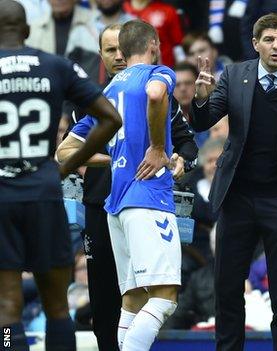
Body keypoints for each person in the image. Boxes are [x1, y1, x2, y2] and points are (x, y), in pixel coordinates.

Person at [191, 12, 277, 350]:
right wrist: (200, 98)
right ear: (255, 44)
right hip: (236, 198)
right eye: (268, 40)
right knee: (227, 291)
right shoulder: (234, 74)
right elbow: (203, 122)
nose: (276, 46)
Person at [57, 22, 197, 351]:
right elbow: (155, 94)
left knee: (131, 301)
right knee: (164, 299)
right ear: (153, 44)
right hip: (147, 198)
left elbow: (62, 153)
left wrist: (118, 156)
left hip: (114, 205)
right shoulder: (157, 73)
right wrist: (158, 150)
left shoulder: (104, 95)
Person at [0, 1, 122, 350]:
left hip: (2, 196)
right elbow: (111, 119)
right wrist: (66, 165)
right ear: (26, 31)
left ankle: (9, 345)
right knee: (56, 307)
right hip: (44, 190)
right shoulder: (54, 65)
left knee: (6, 308)